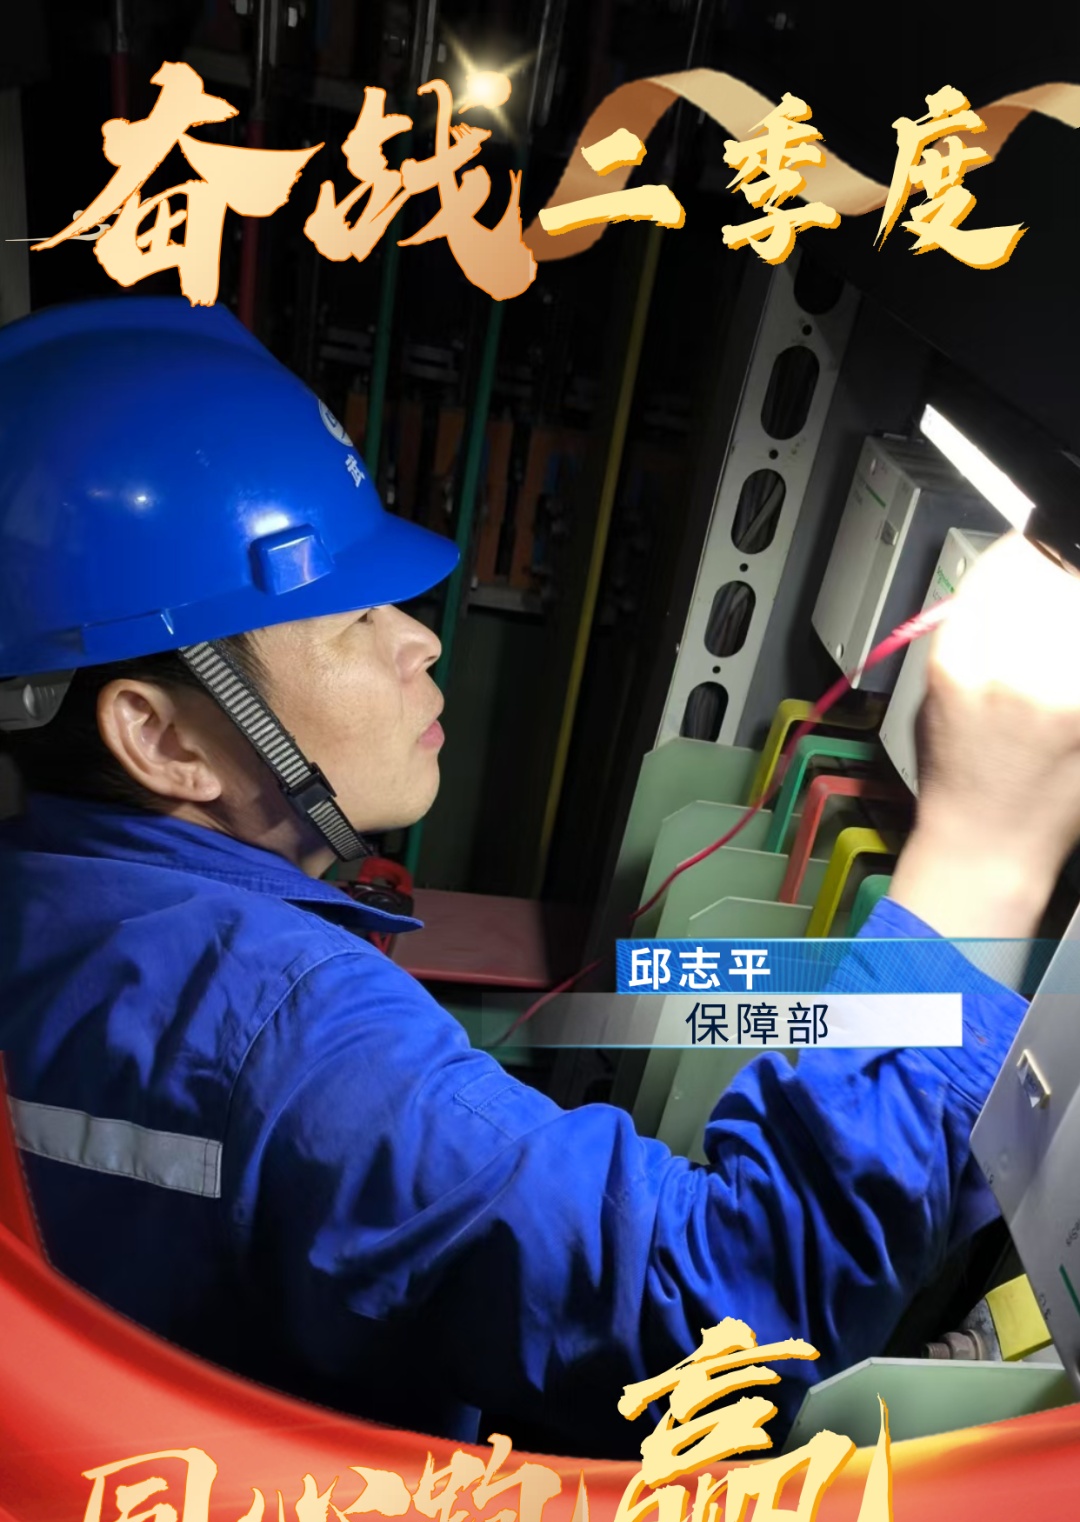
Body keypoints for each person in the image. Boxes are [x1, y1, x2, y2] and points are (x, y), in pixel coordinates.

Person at [0, 297, 1077, 1458]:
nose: (420, 639)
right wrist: (982, 847)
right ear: (163, 740)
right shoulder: (284, 1030)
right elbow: (731, 1319)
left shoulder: (54, 905)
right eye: (349, 617)